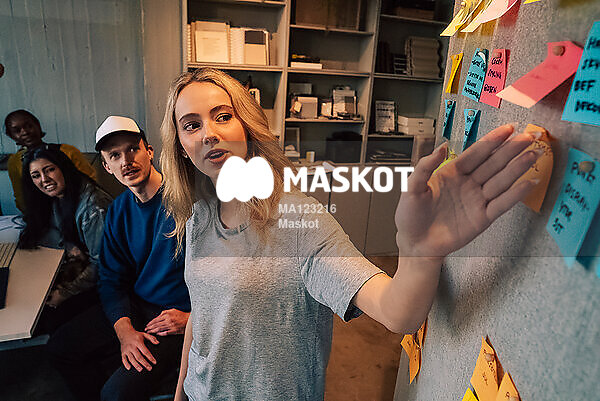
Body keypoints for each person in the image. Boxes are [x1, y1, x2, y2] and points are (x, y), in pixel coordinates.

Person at [158, 68, 543, 401]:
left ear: (246, 127)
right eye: (191, 125)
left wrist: (418, 251)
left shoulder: (297, 220)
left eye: (223, 116)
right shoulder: (199, 218)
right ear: (181, 147)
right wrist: (181, 393)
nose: (208, 134)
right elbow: (202, 314)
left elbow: (397, 311)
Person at [46, 116, 191, 401]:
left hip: (175, 319)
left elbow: (224, 276)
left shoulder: (185, 201)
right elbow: (111, 278)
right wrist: (124, 330)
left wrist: (192, 318)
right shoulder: (119, 210)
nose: (126, 161)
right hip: (138, 306)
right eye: (115, 155)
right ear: (106, 166)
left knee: (116, 393)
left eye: (133, 149)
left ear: (149, 151)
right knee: (60, 348)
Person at [19, 146, 112, 333]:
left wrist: (64, 293)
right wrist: (70, 246)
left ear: (63, 168)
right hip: (84, 269)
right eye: (36, 175)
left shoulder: (93, 207)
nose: (44, 179)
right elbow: (57, 230)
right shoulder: (59, 196)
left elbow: (102, 265)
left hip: (107, 283)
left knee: (45, 317)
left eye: (49, 170)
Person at [4, 109, 97, 212]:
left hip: (78, 209)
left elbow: (90, 183)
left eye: (29, 126)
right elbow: (21, 197)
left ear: (38, 125)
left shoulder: (67, 151)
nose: (25, 132)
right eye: (17, 130)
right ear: (11, 136)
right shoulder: (15, 161)